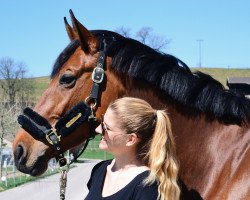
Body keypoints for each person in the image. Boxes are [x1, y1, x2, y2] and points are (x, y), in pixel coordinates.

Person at [85, 97, 180, 200]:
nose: (98, 129)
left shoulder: (147, 187)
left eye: (106, 128)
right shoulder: (99, 170)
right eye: (102, 122)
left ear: (130, 139)